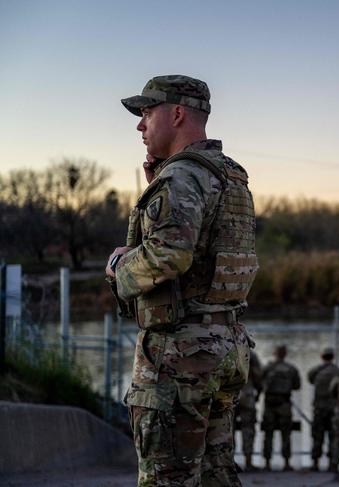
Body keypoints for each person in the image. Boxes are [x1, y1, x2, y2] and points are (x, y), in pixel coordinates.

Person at [107, 75, 257, 487]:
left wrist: (119, 267)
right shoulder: (231, 175)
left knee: (167, 478)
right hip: (225, 346)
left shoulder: (183, 177)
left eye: (147, 113)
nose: (140, 125)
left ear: (176, 114)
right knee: (215, 474)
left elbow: (170, 254)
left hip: (180, 353)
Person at [261, 344, 301, 471]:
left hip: (269, 404)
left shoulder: (267, 368)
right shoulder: (291, 369)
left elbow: (259, 383)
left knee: (268, 433)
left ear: (274, 353)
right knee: (286, 434)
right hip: (284, 404)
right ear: (285, 354)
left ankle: (267, 462)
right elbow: (297, 386)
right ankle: (287, 462)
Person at [307, 347, 339, 471]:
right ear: (332, 357)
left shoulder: (316, 371)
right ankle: (333, 463)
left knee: (317, 435)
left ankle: (315, 462)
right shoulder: (338, 371)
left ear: (322, 357)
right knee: (333, 436)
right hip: (333, 408)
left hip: (319, 408)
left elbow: (309, 378)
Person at [236, 351, 263, 471]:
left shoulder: (224, 347)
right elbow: (258, 375)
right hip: (247, 394)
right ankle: (248, 462)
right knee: (248, 428)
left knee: (226, 429)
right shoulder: (250, 353)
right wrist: (259, 391)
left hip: (228, 395)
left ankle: (227, 463)